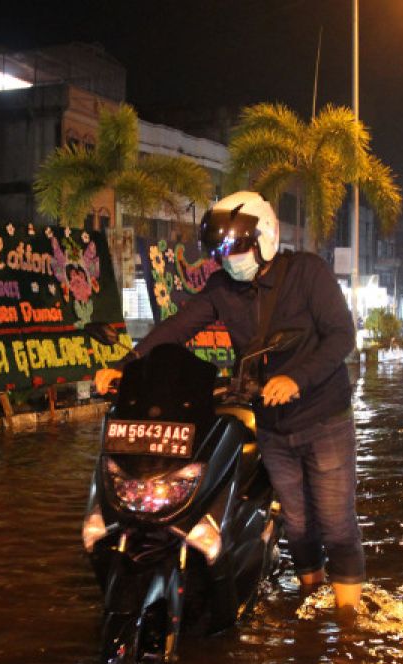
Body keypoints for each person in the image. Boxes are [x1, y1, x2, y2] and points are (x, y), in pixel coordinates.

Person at [94, 191, 365, 611]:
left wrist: (296, 378)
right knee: (296, 524)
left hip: (323, 417)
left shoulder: (307, 273)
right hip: (272, 424)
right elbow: (180, 325)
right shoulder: (222, 287)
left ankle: (349, 622)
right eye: (221, 250)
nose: (229, 257)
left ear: (265, 237)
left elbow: (341, 336)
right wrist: (128, 363)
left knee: (335, 523)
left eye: (236, 247)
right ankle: (313, 599)